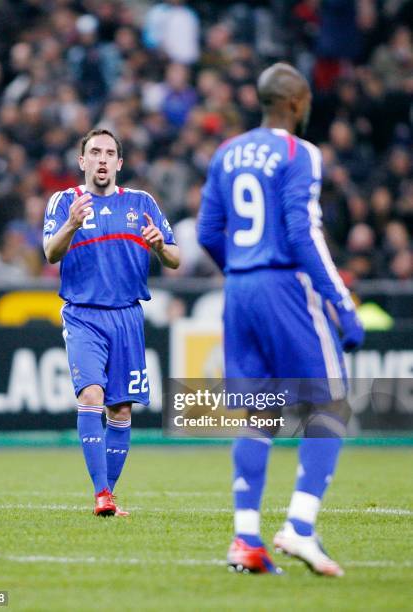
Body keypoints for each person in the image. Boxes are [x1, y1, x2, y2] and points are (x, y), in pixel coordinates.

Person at [198, 63, 364, 576]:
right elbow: (301, 232)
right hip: (283, 287)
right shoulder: (300, 153)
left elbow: (208, 231)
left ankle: (246, 538)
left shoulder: (225, 154)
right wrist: (341, 301)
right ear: (296, 102)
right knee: (330, 403)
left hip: (239, 288)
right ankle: (300, 526)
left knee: (260, 416)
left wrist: (241, 274)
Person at [43, 128, 179, 516]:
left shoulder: (141, 202)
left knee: (120, 410)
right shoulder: (64, 202)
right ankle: (101, 493)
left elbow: (175, 258)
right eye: (94, 153)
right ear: (82, 161)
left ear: (119, 163)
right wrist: (70, 224)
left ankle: (109, 496)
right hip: (83, 315)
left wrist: (158, 247)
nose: (102, 159)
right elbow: (50, 253)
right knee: (91, 396)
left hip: (128, 317)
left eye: (109, 154)